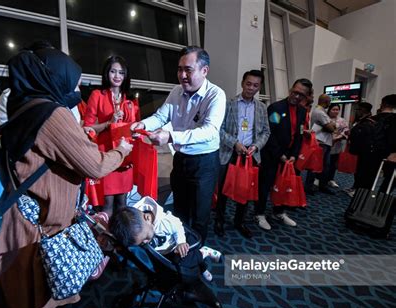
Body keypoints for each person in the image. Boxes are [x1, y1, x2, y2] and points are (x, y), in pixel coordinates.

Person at [0, 43, 133, 308]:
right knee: (36, 299)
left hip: (20, 221)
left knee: (15, 297)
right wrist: (121, 152)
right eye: (74, 85)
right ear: (55, 79)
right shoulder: (52, 114)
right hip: (37, 231)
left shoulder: (25, 106)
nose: (77, 92)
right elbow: (94, 164)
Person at [131, 46, 226, 242]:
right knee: (180, 211)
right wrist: (142, 124)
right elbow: (161, 116)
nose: (182, 75)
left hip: (204, 162)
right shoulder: (176, 91)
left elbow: (209, 131)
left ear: (204, 71)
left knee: (200, 215)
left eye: (188, 70)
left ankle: (195, 257)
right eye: (179, 69)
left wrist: (171, 136)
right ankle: (179, 248)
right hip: (181, 159)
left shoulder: (216, 95)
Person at [214, 70, 270, 239]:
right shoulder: (228, 104)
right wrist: (234, 143)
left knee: (244, 191)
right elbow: (219, 129)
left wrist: (256, 146)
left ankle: (239, 222)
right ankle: (219, 221)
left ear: (259, 87)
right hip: (229, 152)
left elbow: (266, 132)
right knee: (224, 189)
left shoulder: (261, 107)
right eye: (248, 84)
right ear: (242, 83)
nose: (251, 88)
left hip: (250, 154)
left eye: (255, 85)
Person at [109, 198, 222, 281]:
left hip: (179, 244)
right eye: (142, 242)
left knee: (187, 261)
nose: (145, 242)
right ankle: (203, 268)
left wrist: (181, 242)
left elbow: (178, 226)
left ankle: (205, 251)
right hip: (165, 249)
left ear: (147, 218)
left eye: (146, 238)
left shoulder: (164, 222)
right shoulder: (138, 228)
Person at [84, 55, 140, 217]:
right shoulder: (97, 95)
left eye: (121, 73)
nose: (117, 76)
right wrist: (109, 123)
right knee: (107, 205)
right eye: (113, 72)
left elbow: (133, 126)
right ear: (106, 73)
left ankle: (121, 240)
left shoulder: (130, 100)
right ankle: (105, 241)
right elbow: (87, 128)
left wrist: (135, 132)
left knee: (123, 204)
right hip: (106, 156)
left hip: (125, 156)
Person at [255, 78, 311, 231]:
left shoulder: (302, 111)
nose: (297, 96)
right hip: (272, 154)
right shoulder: (276, 108)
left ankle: (278, 212)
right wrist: (280, 154)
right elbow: (270, 134)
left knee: (284, 184)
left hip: (289, 157)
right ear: (290, 89)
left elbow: (299, 134)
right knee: (266, 185)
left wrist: (294, 154)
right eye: (295, 92)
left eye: (301, 95)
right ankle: (259, 213)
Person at [304, 94, 336, 195]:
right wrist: (332, 125)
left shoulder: (321, 112)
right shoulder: (320, 112)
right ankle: (309, 187)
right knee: (315, 166)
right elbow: (331, 128)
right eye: (329, 102)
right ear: (326, 102)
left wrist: (331, 125)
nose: (329, 104)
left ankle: (321, 185)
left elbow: (331, 126)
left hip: (324, 142)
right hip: (321, 143)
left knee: (324, 166)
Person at [327, 103, 349, 188]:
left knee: (333, 163)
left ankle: (330, 179)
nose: (336, 111)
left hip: (336, 145)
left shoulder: (342, 120)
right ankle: (319, 179)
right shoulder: (325, 118)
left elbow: (346, 130)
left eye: (337, 110)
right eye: (334, 109)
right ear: (329, 110)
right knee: (324, 163)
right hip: (325, 143)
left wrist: (338, 138)